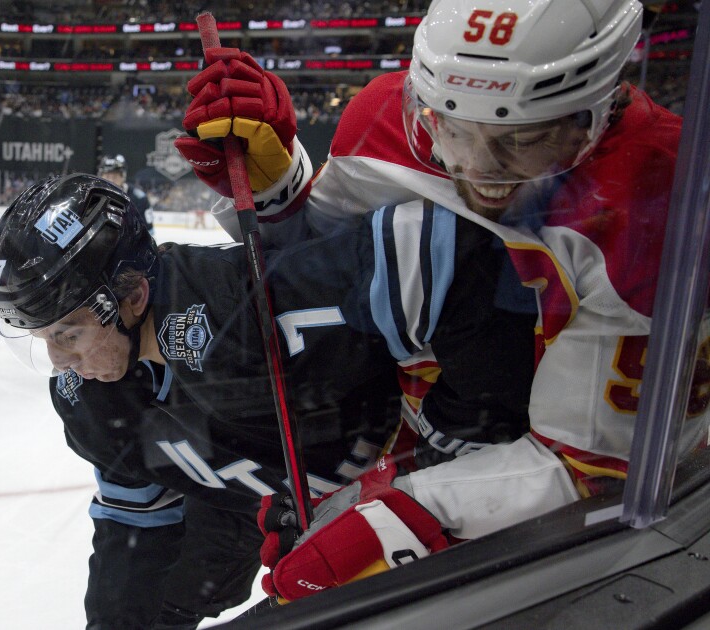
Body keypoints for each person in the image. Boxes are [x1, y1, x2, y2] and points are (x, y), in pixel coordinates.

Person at [176, 0, 705, 602]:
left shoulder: (660, 199)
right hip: (423, 425)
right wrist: (278, 193)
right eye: (447, 126)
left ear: (595, 113)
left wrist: (395, 517)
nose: (476, 168)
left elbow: (592, 467)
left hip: (542, 510)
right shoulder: (382, 116)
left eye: (520, 140)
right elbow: (323, 271)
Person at [0, 173, 537, 626]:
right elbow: (134, 527)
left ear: (132, 296)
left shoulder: (250, 309)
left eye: (68, 333)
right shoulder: (92, 404)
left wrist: (452, 447)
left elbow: (452, 257)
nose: (59, 362)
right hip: (251, 509)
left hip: (391, 492)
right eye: (43, 340)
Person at [97, 154, 154, 236]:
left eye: (115, 176)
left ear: (123, 176)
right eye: (107, 176)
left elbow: (148, 232)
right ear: (101, 176)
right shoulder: (93, 195)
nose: (110, 181)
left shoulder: (139, 198)